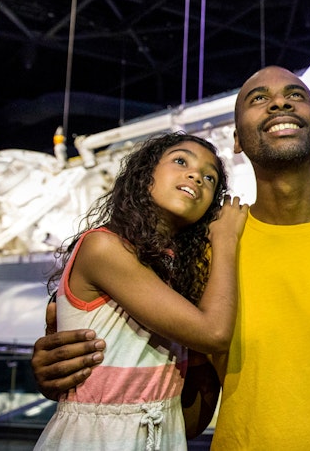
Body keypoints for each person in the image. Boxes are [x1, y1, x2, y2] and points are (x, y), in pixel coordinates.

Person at [31, 66, 310, 450]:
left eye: (296, 95)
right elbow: (189, 413)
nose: (279, 102)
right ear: (236, 140)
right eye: (258, 98)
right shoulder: (206, 252)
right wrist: (70, 373)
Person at [33, 132, 248, 450]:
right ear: (144, 173)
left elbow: (190, 420)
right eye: (180, 161)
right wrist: (226, 238)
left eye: (210, 178)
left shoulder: (172, 271)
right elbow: (214, 333)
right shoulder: (104, 246)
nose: (196, 176)